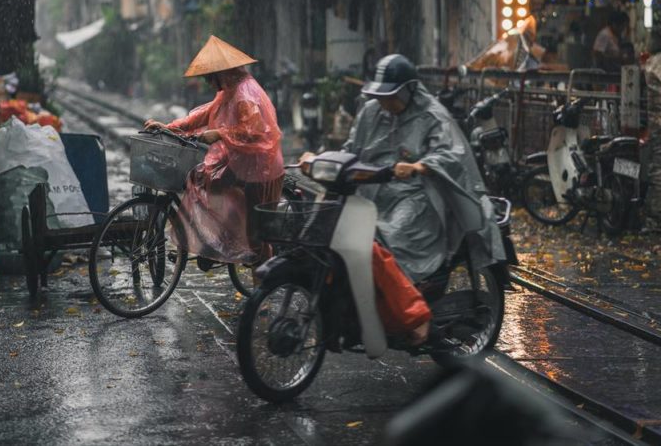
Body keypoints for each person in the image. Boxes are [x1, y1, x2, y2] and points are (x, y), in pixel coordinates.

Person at [306, 54, 505, 346]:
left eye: (391, 96)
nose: (385, 102)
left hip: (420, 195)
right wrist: (321, 158)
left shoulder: (433, 116)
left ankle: (413, 312)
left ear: (410, 90)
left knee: (390, 235)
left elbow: (450, 154)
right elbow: (351, 148)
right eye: (381, 95)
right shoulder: (371, 112)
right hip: (373, 190)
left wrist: (419, 166)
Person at [145, 36, 284, 268]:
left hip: (261, 168)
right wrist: (169, 127)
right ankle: (225, 237)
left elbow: (257, 133)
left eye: (211, 77)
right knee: (208, 180)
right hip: (241, 163)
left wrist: (220, 133)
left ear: (223, 73)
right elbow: (202, 114)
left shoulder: (245, 95)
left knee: (257, 238)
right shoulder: (229, 91)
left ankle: (265, 289)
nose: (209, 83)